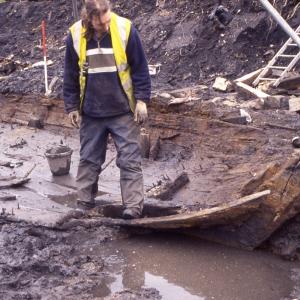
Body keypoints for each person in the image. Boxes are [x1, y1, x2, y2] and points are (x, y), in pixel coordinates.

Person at [63, 0, 151, 219]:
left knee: (129, 159)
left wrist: (142, 100)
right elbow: (70, 74)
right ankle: (84, 203)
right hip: (92, 112)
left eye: (107, 18)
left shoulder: (125, 29)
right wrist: (71, 106)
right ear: (88, 19)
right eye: (100, 21)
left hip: (122, 110)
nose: (105, 24)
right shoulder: (75, 35)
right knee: (89, 159)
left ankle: (132, 207)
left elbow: (140, 67)